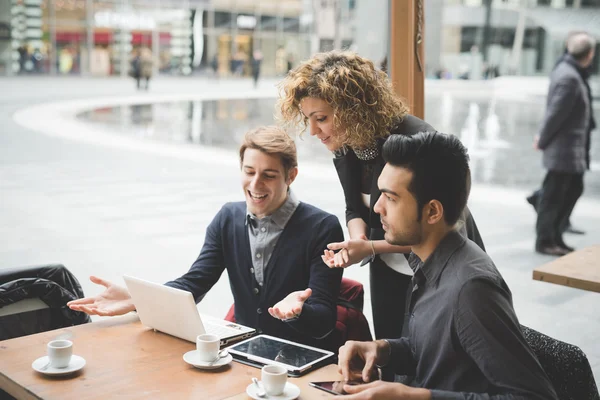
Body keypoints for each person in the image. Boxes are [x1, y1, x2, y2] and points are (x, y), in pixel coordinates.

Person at [68, 126, 344, 349]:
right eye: (249, 172)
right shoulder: (228, 218)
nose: (255, 184)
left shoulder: (322, 228)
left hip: (303, 362)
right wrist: (137, 298)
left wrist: (298, 311)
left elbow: (323, 322)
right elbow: (194, 283)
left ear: (291, 176)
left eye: (269, 176)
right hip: (246, 354)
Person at [277, 50, 485, 341]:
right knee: (390, 350)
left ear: (352, 108)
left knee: (439, 353)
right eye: (308, 119)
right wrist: (358, 240)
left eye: (321, 118)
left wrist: (371, 247)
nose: (313, 131)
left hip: (440, 266)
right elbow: (354, 208)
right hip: (388, 267)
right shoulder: (346, 144)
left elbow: (433, 230)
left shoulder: (415, 143)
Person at [336, 132, 558, 400]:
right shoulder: (428, 260)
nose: (377, 208)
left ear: (432, 212)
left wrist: (414, 397)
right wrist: (382, 349)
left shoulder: (471, 290)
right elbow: (436, 352)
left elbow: (534, 397)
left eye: (390, 198)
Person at [533, 32, 596, 256]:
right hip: (564, 150)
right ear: (590, 54)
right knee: (554, 197)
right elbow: (555, 115)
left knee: (566, 191)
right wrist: (542, 138)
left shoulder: (570, 72)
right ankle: (546, 240)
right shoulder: (569, 76)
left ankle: (555, 236)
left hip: (570, 150)